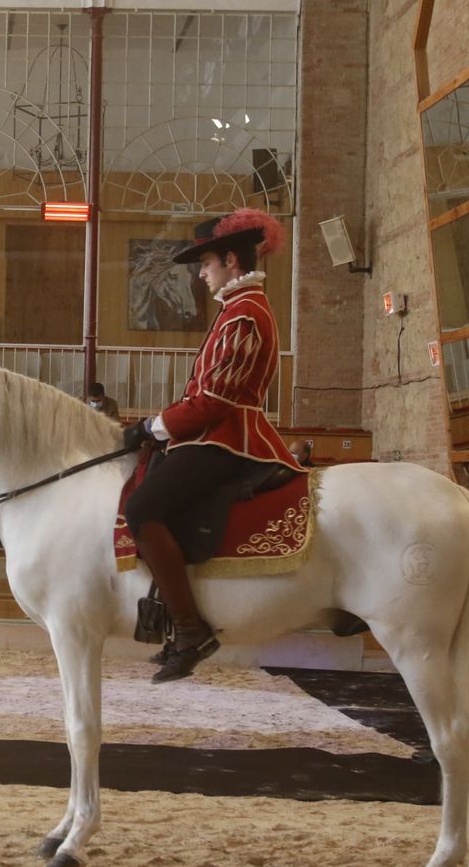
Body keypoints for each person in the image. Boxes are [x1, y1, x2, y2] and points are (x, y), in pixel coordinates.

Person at [119, 207, 305, 683]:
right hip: (212, 433)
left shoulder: (244, 314)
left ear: (231, 261)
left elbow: (212, 402)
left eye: (206, 264)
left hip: (227, 439)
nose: (201, 274)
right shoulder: (236, 310)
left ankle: (190, 630)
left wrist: (151, 427)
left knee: (142, 510)